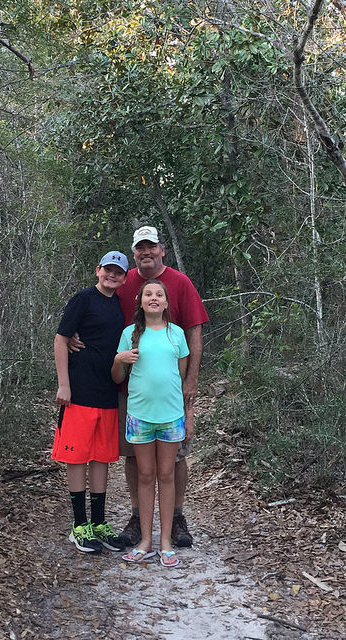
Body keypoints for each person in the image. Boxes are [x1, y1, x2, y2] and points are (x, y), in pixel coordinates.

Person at [68, 226, 209, 547]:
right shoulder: (123, 281)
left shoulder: (179, 283)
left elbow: (194, 333)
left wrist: (191, 382)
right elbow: (97, 308)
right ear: (134, 252)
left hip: (171, 394)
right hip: (128, 392)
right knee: (134, 455)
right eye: (140, 248)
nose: (146, 252)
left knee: (175, 457)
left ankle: (176, 517)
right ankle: (136, 515)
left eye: (151, 247)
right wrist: (72, 335)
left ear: (161, 250)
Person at [52, 251, 129, 554]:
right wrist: (63, 385)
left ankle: (98, 523)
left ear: (124, 278)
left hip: (107, 392)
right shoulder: (82, 299)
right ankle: (79, 525)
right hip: (79, 391)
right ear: (98, 271)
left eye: (118, 272)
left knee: (101, 457)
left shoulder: (119, 306)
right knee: (77, 457)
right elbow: (61, 339)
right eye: (108, 270)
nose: (112, 275)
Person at [112, 280, 189, 567]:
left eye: (159, 294)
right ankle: (145, 541)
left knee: (166, 475)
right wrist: (119, 359)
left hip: (170, 416)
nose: (154, 298)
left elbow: (178, 376)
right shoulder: (129, 334)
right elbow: (118, 377)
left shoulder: (176, 335)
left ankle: (166, 542)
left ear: (166, 303)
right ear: (140, 302)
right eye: (148, 294)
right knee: (145, 476)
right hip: (139, 416)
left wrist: (184, 411)